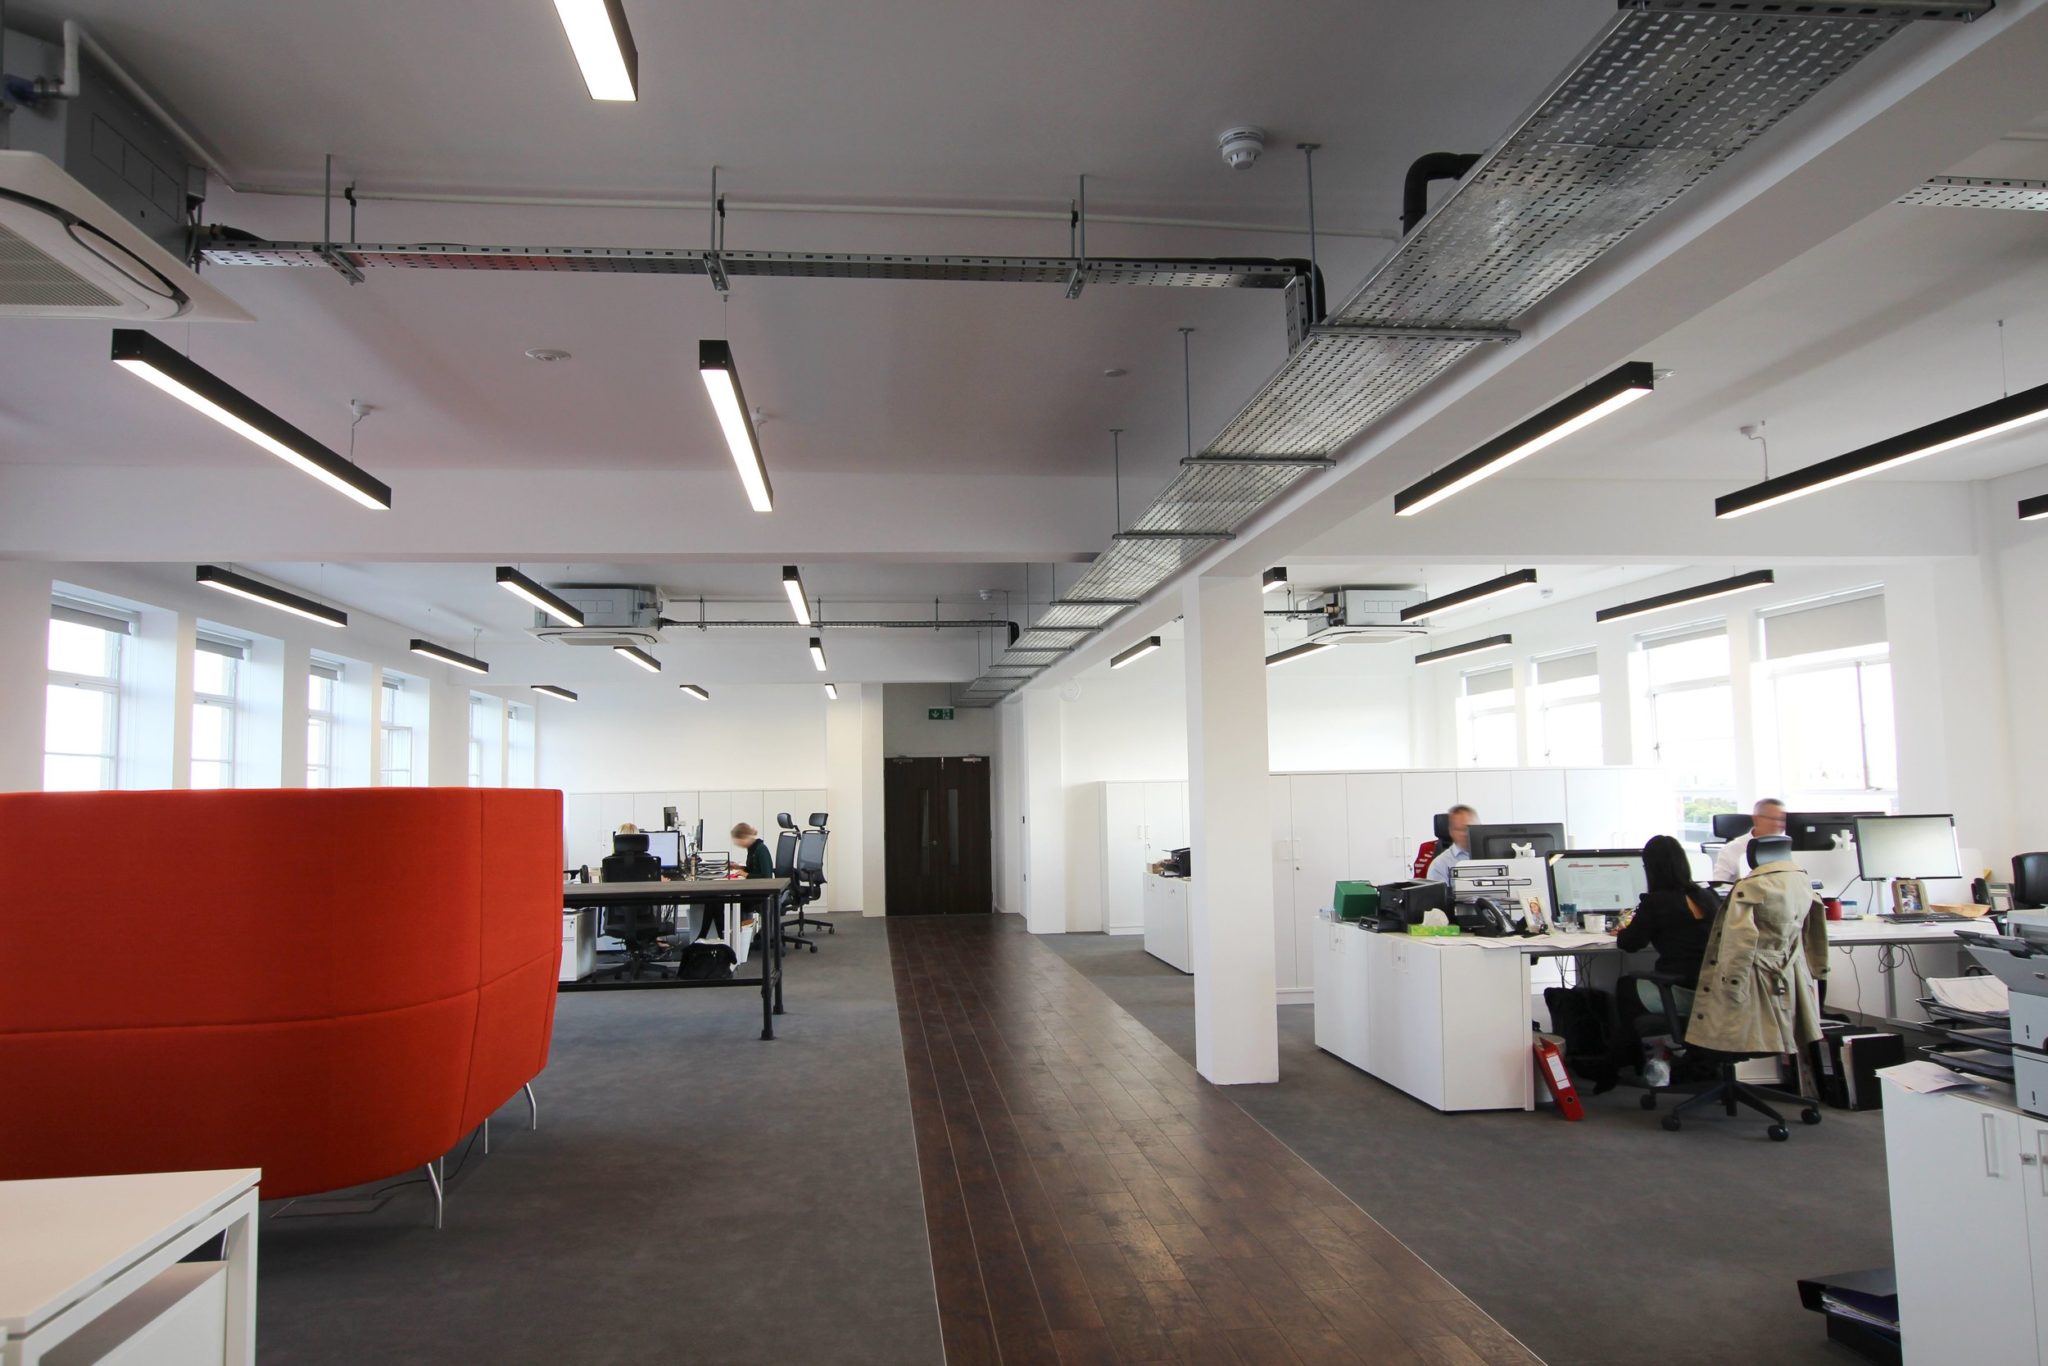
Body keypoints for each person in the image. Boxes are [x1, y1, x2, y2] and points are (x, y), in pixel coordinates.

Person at [1616, 834, 1719, 1019]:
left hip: (1683, 990)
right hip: (1714, 991)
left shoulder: (1656, 902)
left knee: (1625, 986)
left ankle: (1626, 1048)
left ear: (1650, 869)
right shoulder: (1708, 896)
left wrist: (1622, 931)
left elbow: (1630, 944)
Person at [1709, 798, 1785, 884]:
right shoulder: (1732, 849)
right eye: (1773, 819)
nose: (1778, 824)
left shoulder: (1788, 848)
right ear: (1756, 819)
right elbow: (1719, 884)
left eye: (1782, 819)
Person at [1425, 805, 1476, 884]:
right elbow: (1436, 896)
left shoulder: (1495, 856)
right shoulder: (1440, 865)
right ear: (1451, 832)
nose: (1465, 833)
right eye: (1460, 829)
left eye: (1469, 827)